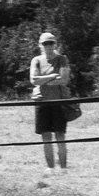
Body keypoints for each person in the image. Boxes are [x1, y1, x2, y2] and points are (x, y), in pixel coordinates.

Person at [30, 31, 76, 169]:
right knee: (46, 138)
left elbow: (64, 79)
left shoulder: (62, 59)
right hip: (42, 103)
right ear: (40, 45)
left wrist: (42, 81)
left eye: (51, 43)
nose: (48, 46)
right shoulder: (36, 60)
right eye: (45, 43)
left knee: (60, 136)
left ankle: (63, 169)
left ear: (55, 44)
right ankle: (50, 168)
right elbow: (33, 80)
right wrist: (53, 76)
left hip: (59, 102)